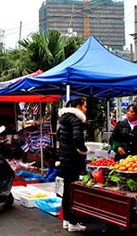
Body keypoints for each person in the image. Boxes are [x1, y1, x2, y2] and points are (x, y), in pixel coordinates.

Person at [57, 97, 88, 232]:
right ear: (79, 107)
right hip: (73, 160)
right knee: (72, 191)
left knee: (67, 190)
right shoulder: (75, 120)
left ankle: (67, 220)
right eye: (85, 106)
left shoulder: (64, 119)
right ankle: (73, 222)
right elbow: (77, 138)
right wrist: (83, 150)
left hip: (65, 159)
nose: (86, 109)